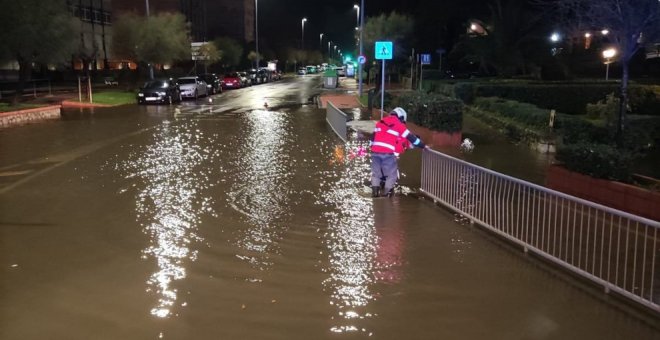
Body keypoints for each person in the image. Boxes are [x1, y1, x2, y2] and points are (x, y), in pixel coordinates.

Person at [370, 107, 427, 197]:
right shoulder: (398, 125)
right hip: (388, 154)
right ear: (401, 118)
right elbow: (411, 138)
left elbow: (372, 139)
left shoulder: (380, 122)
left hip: (375, 152)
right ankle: (386, 197)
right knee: (392, 176)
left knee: (376, 174)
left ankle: (375, 194)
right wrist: (423, 145)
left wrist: (373, 149)